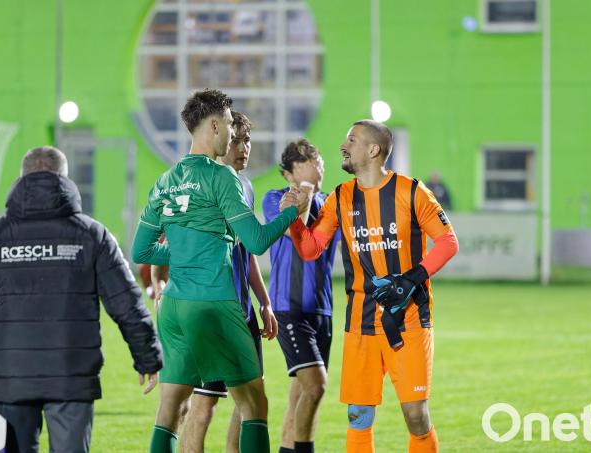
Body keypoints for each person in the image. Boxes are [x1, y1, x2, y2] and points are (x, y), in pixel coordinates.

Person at [0, 146, 163, 453]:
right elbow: (126, 303)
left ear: (21, 178)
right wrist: (147, 356)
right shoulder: (93, 235)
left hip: (11, 379)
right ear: (64, 179)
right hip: (72, 378)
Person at [131, 89, 307, 453]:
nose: (231, 133)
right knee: (254, 404)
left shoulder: (164, 181)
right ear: (213, 125)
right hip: (214, 303)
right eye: (229, 125)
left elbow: (141, 251)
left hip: (174, 308)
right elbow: (256, 242)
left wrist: (184, 251)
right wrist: (291, 211)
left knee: (169, 412)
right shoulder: (222, 178)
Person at [281, 120, 459, 453]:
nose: (343, 146)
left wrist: (409, 280)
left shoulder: (411, 191)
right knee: (359, 415)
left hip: (408, 321)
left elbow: (448, 242)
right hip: (360, 323)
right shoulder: (340, 197)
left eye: (351, 140)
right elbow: (309, 248)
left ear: (373, 150)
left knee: (416, 415)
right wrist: (293, 219)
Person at [164, 111, 279, 453]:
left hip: (241, 312)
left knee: (252, 399)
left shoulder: (244, 186)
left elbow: (246, 251)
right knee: (204, 405)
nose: (244, 147)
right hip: (211, 309)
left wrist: (264, 301)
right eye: (239, 139)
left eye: (248, 141)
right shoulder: (204, 185)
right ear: (223, 140)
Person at [262, 138, 339, 453]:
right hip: (289, 308)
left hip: (322, 310)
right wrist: (304, 191)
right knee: (315, 385)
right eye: (310, 161)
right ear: (288, 172)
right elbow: (295, 223)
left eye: (320, 161)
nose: (319, 166)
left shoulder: (332, 202)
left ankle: (287, 449)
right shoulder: (274, 198)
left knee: (302, 394)